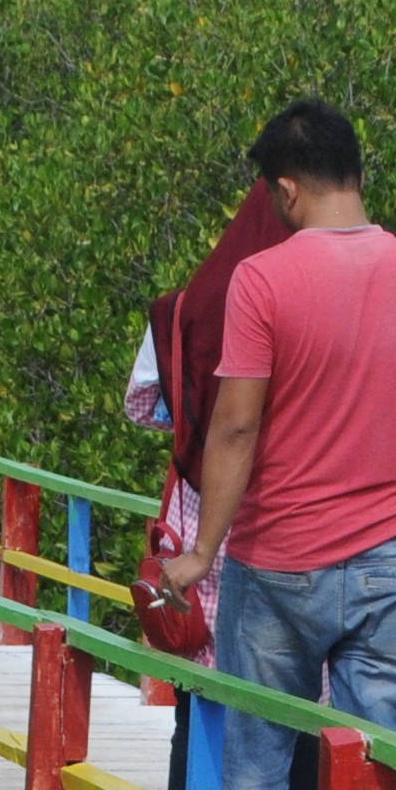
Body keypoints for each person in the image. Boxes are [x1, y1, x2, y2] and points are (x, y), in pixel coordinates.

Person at [148, 101, 396, 790]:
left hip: (279, 557)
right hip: (394, 556)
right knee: (375, 750)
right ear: (357, 172)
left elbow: (236, 427)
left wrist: (202, 550)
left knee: (257, 746)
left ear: (287, 188)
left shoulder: (265, 280)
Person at [129, 183, 299, 697]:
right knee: (293, 691)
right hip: (290, 515)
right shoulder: (308, 300)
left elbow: (144, 407)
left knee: (203, 684)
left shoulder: (180, 310)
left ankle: (194, 779)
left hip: (204, 516)